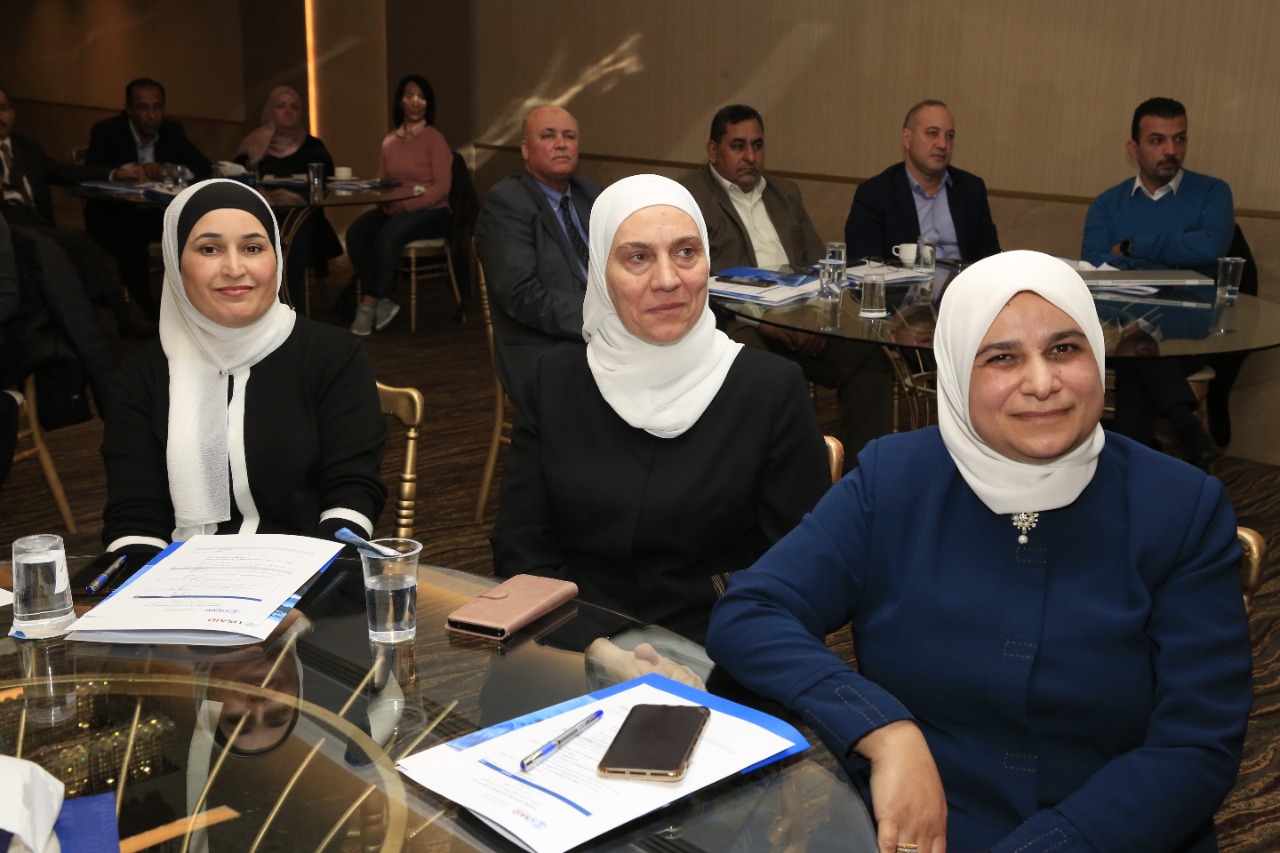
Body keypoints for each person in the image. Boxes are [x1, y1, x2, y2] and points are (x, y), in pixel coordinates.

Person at [707, 250, 1252, 853]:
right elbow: (752, 612)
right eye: (1002, 358)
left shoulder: (1179, 506)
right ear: (955, 370)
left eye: (1064, 349)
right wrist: (884, 729)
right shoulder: (897, 481)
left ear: (1098, 356)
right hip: (913, 829)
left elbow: (1196, 744)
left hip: (1115, 835)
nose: (1041, 383)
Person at [491, 174, 829, 643]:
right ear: (600, 272)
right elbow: (521, 545)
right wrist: (593, 646)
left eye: (686, 252)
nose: (668, 280)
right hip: (571, 638)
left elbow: (797, 572)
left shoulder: (769, 389)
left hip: (718, 646)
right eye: (638, 257)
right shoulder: (556, 381)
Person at [101, 179, 386, 564]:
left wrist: (316, 575)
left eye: (252, 248)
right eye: (209, 249)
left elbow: (352, 492)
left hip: (307, 570)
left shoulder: (333, 355)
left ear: (276, 258)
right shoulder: (140, 378)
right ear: (175, 262)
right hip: (179, 578)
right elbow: (135, 514)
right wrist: (145, 583)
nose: (234, 269)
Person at [684, 103, 893, 461]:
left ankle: (863, 474)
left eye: (757, 145)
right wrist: (763, 322)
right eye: (738, 146)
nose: (750, 156)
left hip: (801, 319)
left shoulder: (785, 193)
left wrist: (817, 317)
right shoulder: (692, 199)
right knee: (769, 373)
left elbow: (818, 264)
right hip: (738, 323)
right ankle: (795, 474)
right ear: (713, 151)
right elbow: (696, 281)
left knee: (869, 360)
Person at [1082, 97, 1232, 463]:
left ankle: (1134, 462)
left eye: (1179, 139)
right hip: (1119, 328)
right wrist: (1175, 256)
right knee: (1138, 345)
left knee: (1137, 349)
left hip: (1189, 330)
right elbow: (1094, 264)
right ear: (1133, 149)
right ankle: (1187, 428)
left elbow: (1212, 247)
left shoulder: (1212, 193)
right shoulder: (1107, 204)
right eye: (1157, 140)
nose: (1171, 150)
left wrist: (1134, 247)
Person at [475, 105, 602, 410]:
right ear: (525, 149)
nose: (561, 144)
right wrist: (597, 319)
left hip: (608, 332)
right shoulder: (506, 203)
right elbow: (521, 294)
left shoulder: (593, 196)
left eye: (569, 136)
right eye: (548, 136)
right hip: (543, 343)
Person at [0, 85, 153, 337]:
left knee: (79, 245)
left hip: (37, 224)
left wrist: (114, 174)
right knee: (64, 244)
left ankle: (115, 319)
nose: (0, 117)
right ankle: (113, 319)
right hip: (6, 229)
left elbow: (66, 172)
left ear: (12, 113)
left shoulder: (27, 148)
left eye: (3, 109)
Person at [85, 77, 213, 319]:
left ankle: (198, 307)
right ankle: (148, 312)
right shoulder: (107, 131)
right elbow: (92, 172)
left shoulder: (172, 130)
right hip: (114, 215)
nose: (152, 116)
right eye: (143, 108)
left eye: (158, 107)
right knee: (131, 244)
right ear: (129, 109)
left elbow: (203, 165)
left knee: (199, 233)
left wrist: (168, 169)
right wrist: (129, 171)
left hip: (158, 213)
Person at [345, 75, 452, 336]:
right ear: (400, 102)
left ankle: (368, 306)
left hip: (433, 211)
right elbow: (382, 181)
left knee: (390, 233)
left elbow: (442, 187)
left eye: (422, 97)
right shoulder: (390, 141)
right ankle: (383, 301)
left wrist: (406, 206)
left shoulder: (434, 139)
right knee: (356, 233)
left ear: (428, 103)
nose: (416, 102)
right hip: (396, 209)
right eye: (409, 96)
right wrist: (385, 201)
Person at [844, 99, 1000, 263]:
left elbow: (991, 258)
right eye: (933, 133)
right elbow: (864, 264)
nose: (943, 144)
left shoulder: (971, 189)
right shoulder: (875, 194)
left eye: (949, 136)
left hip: (963, 280)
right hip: (905, 280)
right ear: (907, 139)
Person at [233, 85, 343, 309]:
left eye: (294, 107)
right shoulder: (254, 143)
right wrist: (264, 195)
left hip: (301, 215)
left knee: (295, 241)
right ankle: (253, 309)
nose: (288, 111)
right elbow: (238, 179)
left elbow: (324, 183)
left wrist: (295, 197)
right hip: (261, 214)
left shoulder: (314, 146)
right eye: (281, 106)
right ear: (270, 110)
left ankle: (290, 310)